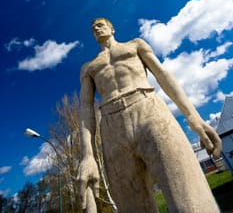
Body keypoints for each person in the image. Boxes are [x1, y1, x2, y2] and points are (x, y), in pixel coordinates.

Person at [77, 18, 221, 213]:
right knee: (132, 207)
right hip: (112, 128)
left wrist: (193, 116)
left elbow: (162, 74)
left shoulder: (135, 45)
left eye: (101, 24)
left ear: (112, 28)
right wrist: (88, 156)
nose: (96, 28)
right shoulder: (89, 67)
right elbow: (86, 108)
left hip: (148, 110)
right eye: (93, 28)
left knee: (190, 200)